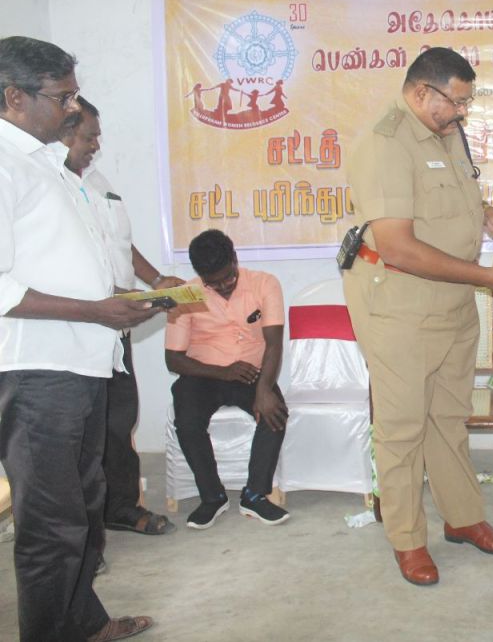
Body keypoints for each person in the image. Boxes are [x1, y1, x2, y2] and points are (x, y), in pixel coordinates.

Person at [343, 47, 493, 586]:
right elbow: (398, 246)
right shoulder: (385, 143)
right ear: (423, 92)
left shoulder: (445, 131)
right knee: (402, 428)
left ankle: (463, 517)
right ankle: (407, 540)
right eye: (457, 102)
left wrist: (486, 214)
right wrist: (488, 277)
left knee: (449, 417)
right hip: (400, 303)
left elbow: (441, 202)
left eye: (467, 103)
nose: (463, 113)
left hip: (451, 300)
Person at [0, 36, 158, 641]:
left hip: (83, 363)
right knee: (51, 523)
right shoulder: (5, 163)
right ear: (14, 97)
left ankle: (82, 624)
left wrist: (119, 302)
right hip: (37, 372)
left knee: (84, 505)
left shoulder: (46, 163)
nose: (71, 110)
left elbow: (72, 260)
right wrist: (95, 311)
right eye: (62, 97)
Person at [62, 97, 184, 538]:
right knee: (80, 433)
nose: (96, 145)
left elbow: (119, 245)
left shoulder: (97, 182)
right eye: (88, 137)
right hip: (76, 329)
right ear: (62, 132)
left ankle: (120, 506)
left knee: (119, 419)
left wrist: (156, 282)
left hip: (116, 325)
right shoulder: (51, 186)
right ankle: (80, 528)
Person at [165, 229, 289, 530]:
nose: (222, 286)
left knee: (275, 412)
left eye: (228, 278)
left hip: (251, 372)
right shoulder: (185, 294)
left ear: (235, 259)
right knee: (187, 422)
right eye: (213, 283)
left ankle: (254, 495)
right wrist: (223, 372)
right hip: (203, 374)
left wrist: (264, 389)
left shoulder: (265, 283)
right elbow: (174, 360)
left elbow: (274, 344)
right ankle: (212, 497)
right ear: (200, 275)